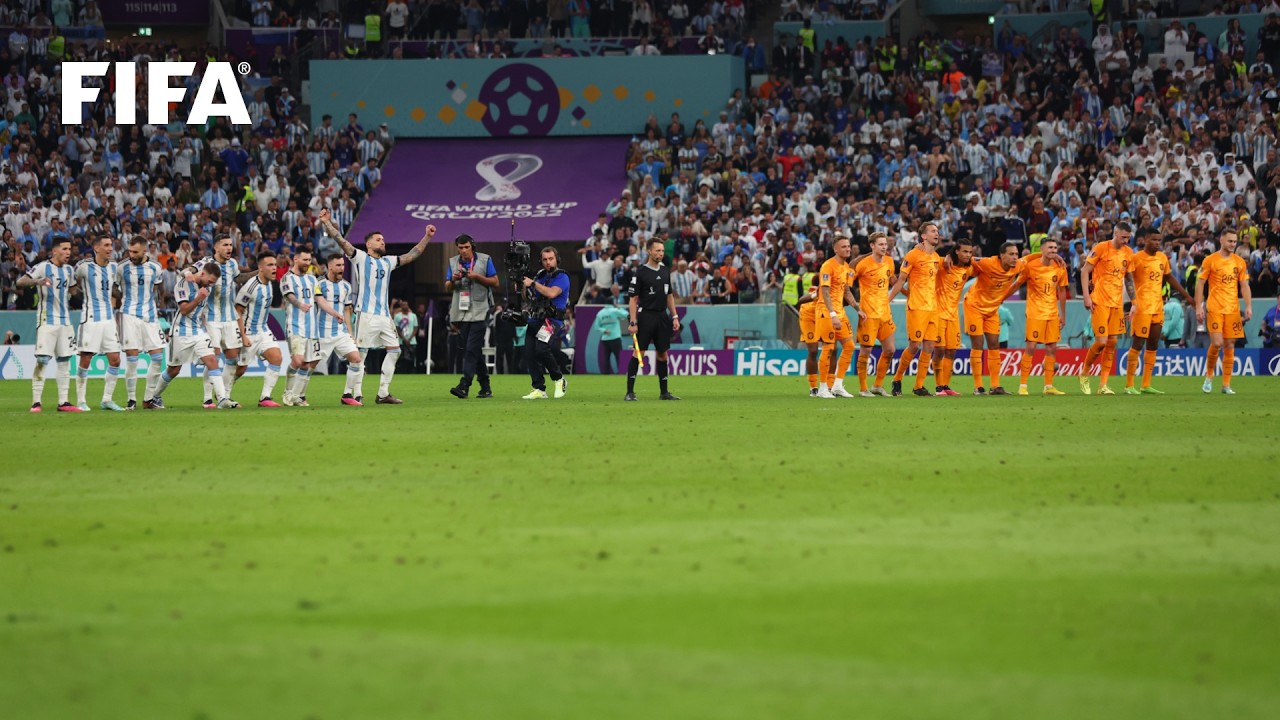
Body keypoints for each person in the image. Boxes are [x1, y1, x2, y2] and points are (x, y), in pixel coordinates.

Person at [318, 208, 435, 404]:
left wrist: (427, 237)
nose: (383, 241)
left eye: (383, 239)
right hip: (366, 315)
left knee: (395, 351)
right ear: (368, 243)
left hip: (384, 317)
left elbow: (411, 255)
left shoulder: (389, 262)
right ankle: (353, 393)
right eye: (379, 239)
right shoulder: (360, 257)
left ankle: (382, 393)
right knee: (360, 354)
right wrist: (327, 223)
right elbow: (341, 240)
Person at [148, 263, 240, 409]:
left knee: (212, 360)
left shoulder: (206, 288)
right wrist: (198, 298)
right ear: (202, 274)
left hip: (197, 331)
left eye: (213, 283)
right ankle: (155, 397)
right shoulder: (183, 284)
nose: (210, 285)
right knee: (174, 369)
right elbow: (183, 310)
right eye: (210, 281)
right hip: (180, 332)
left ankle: (222, 399)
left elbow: (200, 312)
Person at [1124, 228, 1194, 394]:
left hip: (1157, 307)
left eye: (1159, 240)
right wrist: (1131, 303)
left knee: (1153, 344)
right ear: (1146, 239)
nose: (1157, 243)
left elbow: (1169, 277)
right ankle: (1129, 385)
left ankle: (1146, 384)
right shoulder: (1136, 258)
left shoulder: (1162, 258)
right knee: (1138, 344)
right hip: (1141, 308)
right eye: (1154, 240)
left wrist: (1186, 296)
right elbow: (1127, 279)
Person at [17, 237, 79, 412]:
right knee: (43, 360)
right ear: (55, 251)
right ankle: (36, 402)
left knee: (64, 361)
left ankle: (63, 402)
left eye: (69, 249)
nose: (68, 252)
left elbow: (74, 291)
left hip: (65, 322)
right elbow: (20, 282)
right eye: (65, 249)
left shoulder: (69, 270)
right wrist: (38, 281)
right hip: (46, 320)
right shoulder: (43, 267)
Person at [963, 242, 1028, 395]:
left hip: (992, 309)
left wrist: (1050, 255)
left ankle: (995, 386)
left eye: (1016, 254)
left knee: (994, 345)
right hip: (974, 306)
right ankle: (978, 387)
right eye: (1011, 254)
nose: (1015, 257)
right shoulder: (988, 263)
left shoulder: (1018, 265)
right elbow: (967, 258)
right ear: (1001, 255)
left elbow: (1029, 258)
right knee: (978, 344)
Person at [1006, 238, 1069, 395]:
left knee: (1052, 348)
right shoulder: (1030, 266)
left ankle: (1048, 386)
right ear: (1042, 249)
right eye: (1050, 248)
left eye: (1055, 248)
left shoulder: (1060, 267)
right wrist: (1000, 298)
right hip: (1035, 312)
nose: (1053, 251)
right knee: (1031, 347)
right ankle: (1023, 385)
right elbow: (1017, 284)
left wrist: (1063, 315)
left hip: (1052, 314)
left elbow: (1061, 292)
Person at [1079, 222, 1136, 396]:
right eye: (1123, 237)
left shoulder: (1128, 253)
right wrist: (1087, 297)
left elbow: (1129, 279)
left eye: (1128, 237)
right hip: (1099, 301)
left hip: (1117, 303)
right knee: (1101, 342)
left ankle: (1103, 385)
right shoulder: (1101, 248)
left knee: (1112, 343)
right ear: (1115, 233)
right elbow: (1084, 271)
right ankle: (1084, 374)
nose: (1126, 240)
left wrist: (1134, 302)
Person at [887, 221, 942, 396]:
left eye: (938, 231)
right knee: (914, 346)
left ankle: (919, 386)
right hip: (917, 307)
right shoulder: (912, 255)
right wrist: (887, 299)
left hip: (932, 307)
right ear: (923, 236)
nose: (937, 233)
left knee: (929, 346)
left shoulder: (936, 258)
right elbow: (901, 280)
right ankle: (897, 380)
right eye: (933, 231)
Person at [188, 235, 242, 408]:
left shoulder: (233, 264)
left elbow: (238, 279)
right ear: (216, 247)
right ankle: (207, 399)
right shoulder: (206, 262)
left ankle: (225, 396)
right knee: (214, 357)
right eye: (225, 245)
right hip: (211, 318)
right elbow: (190, 270)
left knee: (233, 358)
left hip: (230, 317)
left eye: (230, 245)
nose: (229, 248)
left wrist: (259, 272)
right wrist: (188, 275)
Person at [1196, 229, 1252, 394]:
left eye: (1235, 242)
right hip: (1214, 308)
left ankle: (1226, 385)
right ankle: (1209, 377)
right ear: (1221, 240)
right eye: (1230, 241)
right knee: (1217, 343)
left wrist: (1248, 306)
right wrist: (1198, 306)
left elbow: (1244, 285)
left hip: (1232, 310)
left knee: (1230, 344)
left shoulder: (1240, 262)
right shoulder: (1210, 260)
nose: (1233, 244)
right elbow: (1200, 284)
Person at [625, 238, 681, 401]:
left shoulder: (665, 271)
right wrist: (633, 322)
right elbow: (633, 299)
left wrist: (675, 316)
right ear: (649, 251)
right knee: (639, 353)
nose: (661, 253)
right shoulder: (641, 272)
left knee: (663, 354)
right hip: (646, 316)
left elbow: (669, 296)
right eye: (657, 250)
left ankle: (664, 392)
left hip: (662, 317)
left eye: (662, 251)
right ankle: (629, 392)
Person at [73, 234, 123, 411]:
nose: (110, 248)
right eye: (107, 245)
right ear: (97, 248)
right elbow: (71, 284)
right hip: (91, 319)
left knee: (115, 359)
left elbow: (115, 287)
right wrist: (79, 297)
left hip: (109, 319)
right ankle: (81, 401)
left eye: (111, 245)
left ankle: (107, 400)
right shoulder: (84, 266)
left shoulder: (114, 267)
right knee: (86, 358)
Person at [446, 233, 499, 399]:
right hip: (462, 313)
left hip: (481, 310)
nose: (463, 251)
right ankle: (485, 387)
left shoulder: (484, 260)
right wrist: (453, 280)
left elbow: (496, 282)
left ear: (472, 246)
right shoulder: (453, 262)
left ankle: (464, 384)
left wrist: (478, 277)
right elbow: (447, 287)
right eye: (460, 248)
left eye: (466, 247)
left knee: (470, 349)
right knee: (474, 351)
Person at [116, 237, 166, 410]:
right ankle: (131, 400)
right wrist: (120, 300)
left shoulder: (155, 267)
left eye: (135, 252)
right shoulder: (121, 268)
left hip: (150, 316)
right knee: (132, 358)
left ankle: (148, 399)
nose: (132, 255)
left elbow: (159, 287)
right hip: (129, 315)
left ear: (145, 251)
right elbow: (114, 288)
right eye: (130, 251)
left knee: (158, 357)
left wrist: (160, 305)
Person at [234, 250, 285, 407]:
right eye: (270, 265)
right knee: (240, 369)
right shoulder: (250, 287)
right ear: (260, 268)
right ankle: (223, 393)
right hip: (248, 332)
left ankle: (265, 398)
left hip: (263, 330)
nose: (274, 268)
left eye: (275, 265)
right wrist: (243, 336)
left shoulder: (270, 284)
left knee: (277, 358)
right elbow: (237, 311)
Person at [851, 232, 897, 397]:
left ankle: (877, 385)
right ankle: (863, 388)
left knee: (890, 350)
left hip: (885, 313)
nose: (884, 247)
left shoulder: (890, 262)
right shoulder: (863, 264)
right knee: (866, 351)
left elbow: (892, 280)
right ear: (872, 246)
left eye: (885, 244)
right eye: (881, 244)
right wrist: (856, 307)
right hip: (868, 314)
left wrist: (906, 292)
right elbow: (848, 280)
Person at [316, 254, 366, 405]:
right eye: (338, 265)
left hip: (341, 332)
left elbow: (347, 311)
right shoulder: (319, 283)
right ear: (330, 267)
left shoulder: (346, 286)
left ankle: (347, 394)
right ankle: (296, 394)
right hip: (322, 332)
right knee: (310, 364)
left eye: (343, 265)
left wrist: (350, 334)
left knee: (356, 359)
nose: (341, 268)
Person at [524, 246, 573, 400]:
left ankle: (559, 379)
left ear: (556, 259)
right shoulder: (540, 276)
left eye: (550, 259)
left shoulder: (562, 277)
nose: (548, 262)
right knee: (529, 353)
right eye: (544, 259)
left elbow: (552, 293)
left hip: (552, 320)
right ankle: (539, 388)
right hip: (536, 318)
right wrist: (523, 288)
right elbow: (530, 299)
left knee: (541, 349)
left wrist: (532, 284)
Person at [815, 233, 857, 398]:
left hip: (840, 312)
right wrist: (832, 314)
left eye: (848, 246)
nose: (847, 249)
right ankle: (823, 388)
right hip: (826, 312)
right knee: (828, 348)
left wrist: (856, 307)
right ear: (835, 249)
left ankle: (838, 385)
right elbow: (824, 291)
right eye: (844, 247)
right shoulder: (828, 266)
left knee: (850, 346)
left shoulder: (846, 268)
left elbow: (846, 290)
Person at [932, 237, 975, 396]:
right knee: (939, 350)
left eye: (970, 252)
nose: (967, 255)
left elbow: (985, 262)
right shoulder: (944, 265)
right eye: (964, 251)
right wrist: (947, 256)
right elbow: (931, 258)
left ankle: (945, 386)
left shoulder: (968, 269)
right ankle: (938, 388)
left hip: (953, 315)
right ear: (957, 251)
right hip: (938, 313)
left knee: (951, 351)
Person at [592, 294, 629, 375]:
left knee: (606, 358)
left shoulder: (600, 313)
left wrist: (604, 330)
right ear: (613, 303)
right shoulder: (615, 311)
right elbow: (626, 314)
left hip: (605, 339)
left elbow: (596, 327)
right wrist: (619, 307)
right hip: (615, 337)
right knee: (619, 357)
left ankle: (605, 374)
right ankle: (622, 373)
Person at [797, 283, 820, 396]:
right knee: (813, 350)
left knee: (832, 348)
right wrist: (815, 294)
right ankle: (813, 386)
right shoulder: (819, 288)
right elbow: (801, 300)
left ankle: (830, 386)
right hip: (808, 316)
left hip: (824, 316)